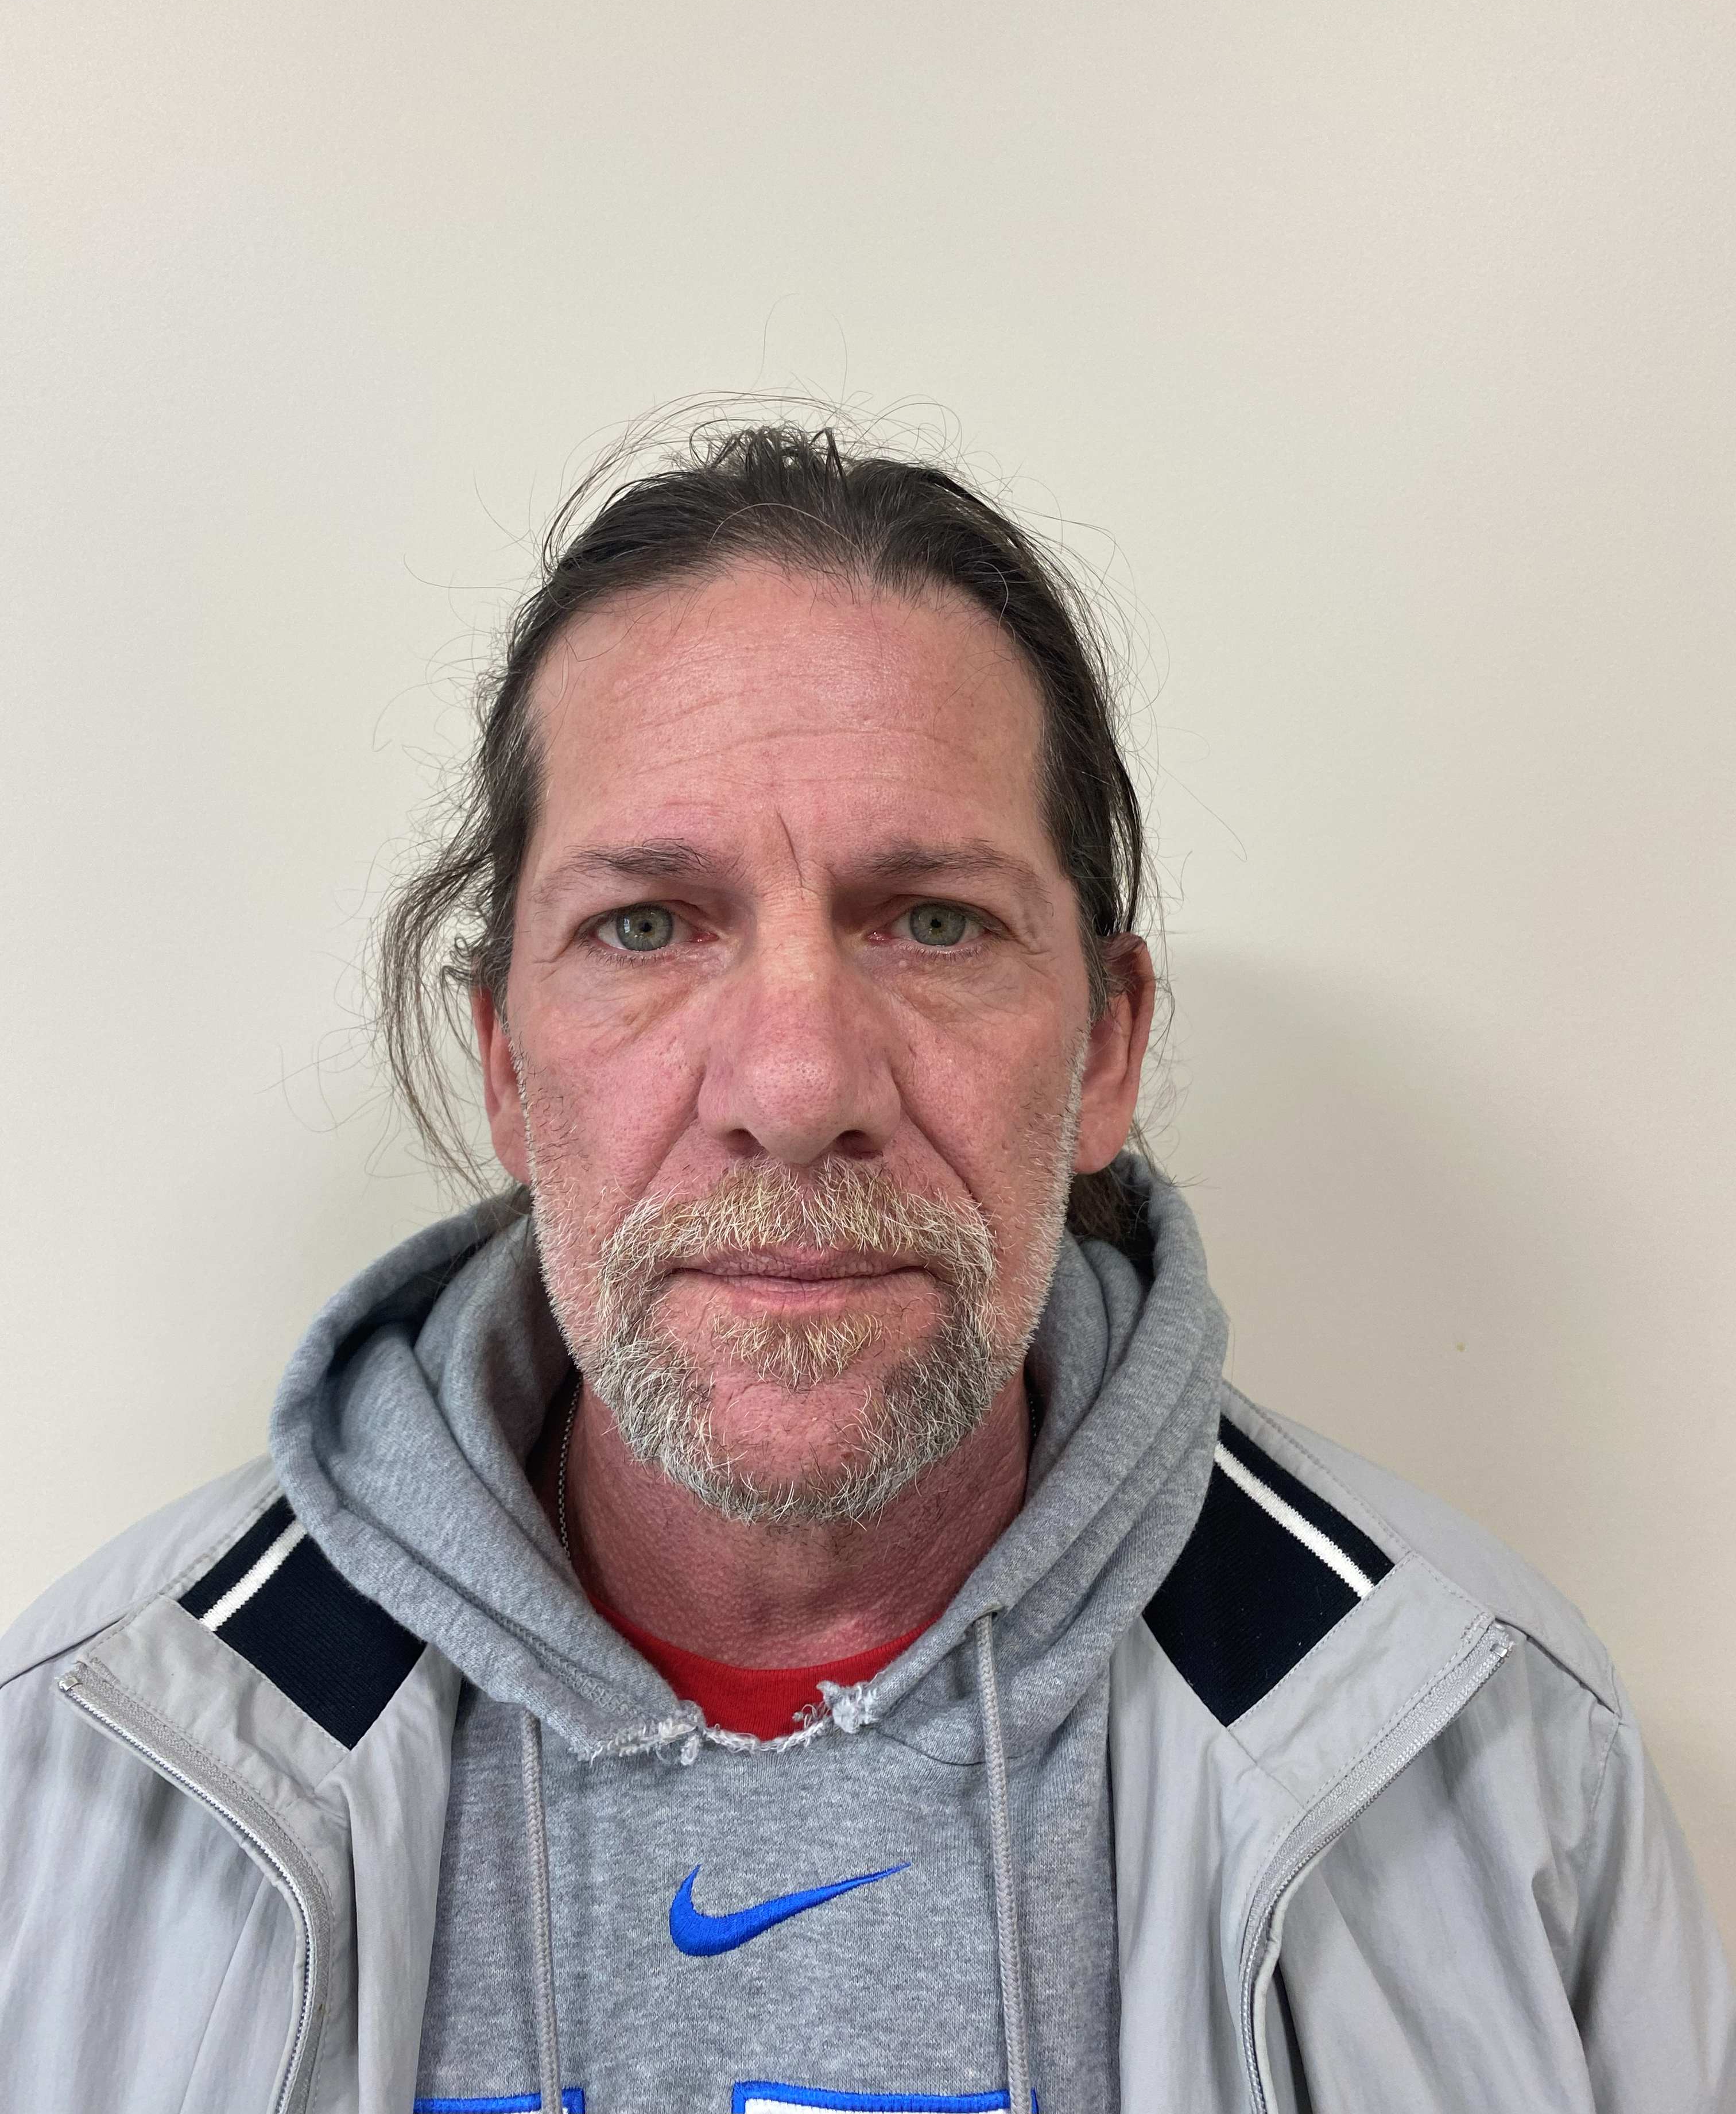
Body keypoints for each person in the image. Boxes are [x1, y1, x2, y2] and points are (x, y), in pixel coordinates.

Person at [1, 423, 1730, 2114]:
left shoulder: (1486, 1751)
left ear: (1106, 1051)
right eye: (647, 926)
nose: (795, 1086)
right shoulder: (92, 1757)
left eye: (934, 923)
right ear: (508, 1068)